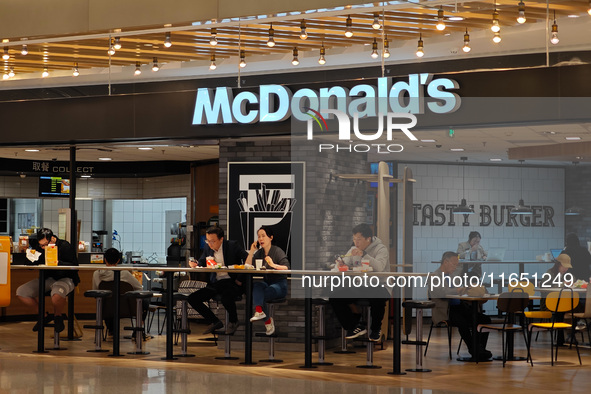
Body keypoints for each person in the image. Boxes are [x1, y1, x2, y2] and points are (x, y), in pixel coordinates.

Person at [329, 223, 390, 342]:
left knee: (377, 294)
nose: (356, 242)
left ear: (368, 239)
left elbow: (379, 267)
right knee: (335, 296)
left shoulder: (381, 249)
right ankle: (354, 326)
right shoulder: (354, 249)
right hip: (361, 285)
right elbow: (346, 262)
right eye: (354, 239)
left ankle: (376, 329)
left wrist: (364, 255)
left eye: (359, 239)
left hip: (380, 286)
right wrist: (342, 263)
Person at [429, 251, 492, 361]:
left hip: (459, 307)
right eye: (454, 264)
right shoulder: (434, 276)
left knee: (484, 319)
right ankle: (474, 350)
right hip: (446, 310)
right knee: (462, 322)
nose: (456, 267)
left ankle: (480, 348)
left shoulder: (452, 277)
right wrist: (459, 290)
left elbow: (459, 290)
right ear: (445, 262)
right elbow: (442, 292)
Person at [16, 227, 79, 333]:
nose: (44, 247)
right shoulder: (39, 247)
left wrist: (58, 262)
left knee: (56, 295)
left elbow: (74, 266)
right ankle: (44, 316)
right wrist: (30, 257)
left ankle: (58, 317)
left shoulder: (64, 246)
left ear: (52, 239)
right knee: (21, 292)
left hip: (65, 278)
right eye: (41, 245)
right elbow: (30, 262)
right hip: (47, 279)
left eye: (45, 244)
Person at [188, 226, 248, 335]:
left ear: (221, 239)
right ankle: (214, 321)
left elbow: (248, 259)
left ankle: (233, 321)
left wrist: (240, 278)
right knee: (193, 298)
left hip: (232, 282)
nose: (210, 244)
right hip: (216, 283)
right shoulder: (208, 248)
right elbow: (202, 262)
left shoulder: (232, 246)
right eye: (207, 241)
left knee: (226, 297)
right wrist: (195, 264)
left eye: (213, 241)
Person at [246, 225, 290, 336]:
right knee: (257, 286)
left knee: (260, 295)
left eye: (263, 236)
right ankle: (260, 312)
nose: (260, 239)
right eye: (259, 236)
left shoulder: (277, 251)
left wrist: (273, 265)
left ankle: (265, 318)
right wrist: (251, 251)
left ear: (270, 237)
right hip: (267, 283)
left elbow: (286, 268)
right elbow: (247, 266)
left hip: (280, 285)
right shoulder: (259, 253)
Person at [93, 248, 146, 336]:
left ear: (105, 259)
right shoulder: (125, 273)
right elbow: (139, 288)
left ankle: (111, 329)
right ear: (118, 260)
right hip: (126, 308)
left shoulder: (97, 274)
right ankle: (139, 328)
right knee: (145, 302)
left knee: (108, 300)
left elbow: (95, 293)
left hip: (105, 309)